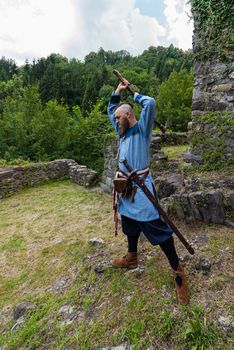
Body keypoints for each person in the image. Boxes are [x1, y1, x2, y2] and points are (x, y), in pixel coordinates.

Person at [107, 78, 190, 305]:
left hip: (142, 190)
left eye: (118, 117)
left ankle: (178, 271)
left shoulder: (142, 130)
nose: (115, 120)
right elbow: (110, 110)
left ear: (128, 115)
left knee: (158, 230)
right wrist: (118, 91)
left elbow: (151, 103)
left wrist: (134, 95)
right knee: (129, 223)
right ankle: (132, 257)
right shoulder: (121, 132)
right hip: (125, 189)